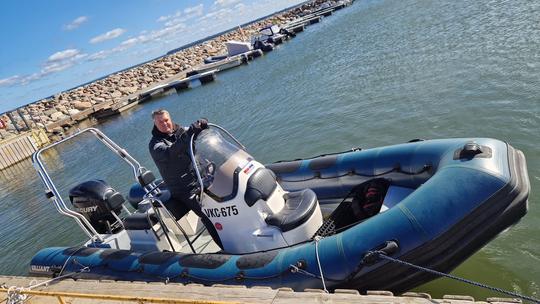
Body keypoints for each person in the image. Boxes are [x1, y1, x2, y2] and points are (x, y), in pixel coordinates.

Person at [148, 109, 223, 248]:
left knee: (225, 201)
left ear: (170, 118)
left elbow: (193, 132)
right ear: (155, 123)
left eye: (166, 120)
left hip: (201, 178)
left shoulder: (180, 130)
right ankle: (225, 247)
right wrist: (189, 134)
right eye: (160, 122)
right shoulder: (155, 145)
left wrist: (202, 124)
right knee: (208, 215)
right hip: (184, 189)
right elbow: (171, 152)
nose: (165, 124)